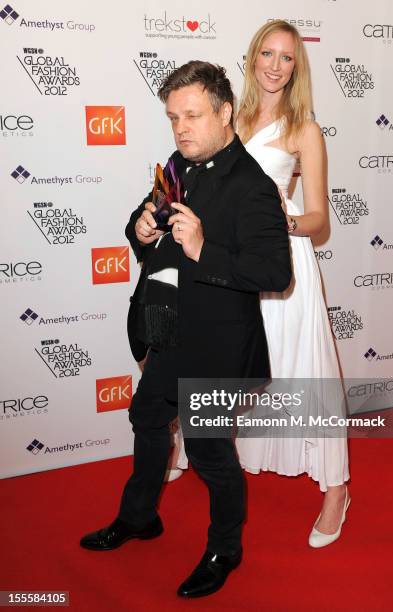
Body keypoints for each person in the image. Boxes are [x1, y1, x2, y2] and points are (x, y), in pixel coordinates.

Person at [80, 61, 292, 597]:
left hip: (217, 347)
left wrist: (203, 250)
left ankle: (225, 548)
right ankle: (140, 517)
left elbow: (274, 272)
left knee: (208, 452)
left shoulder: (254, 187)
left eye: (193, 115)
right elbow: (146, 214)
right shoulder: (179, 162)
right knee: (147, 417)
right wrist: (142, 227)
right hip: (168, 328)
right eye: (174, 117)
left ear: (224, 112)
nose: (181, 128)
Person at [234, 20, 350, 548]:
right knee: (246, 369)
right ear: (253, 57)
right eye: (268, 53)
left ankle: (336, 491)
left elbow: (320, 219)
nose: (276, 66)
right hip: (235, 265)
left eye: (287, 58)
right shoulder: (229, 119)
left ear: (296, 67)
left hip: (286, 264)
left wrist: (282, 219)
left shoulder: (305, 128)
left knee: (303, 372)